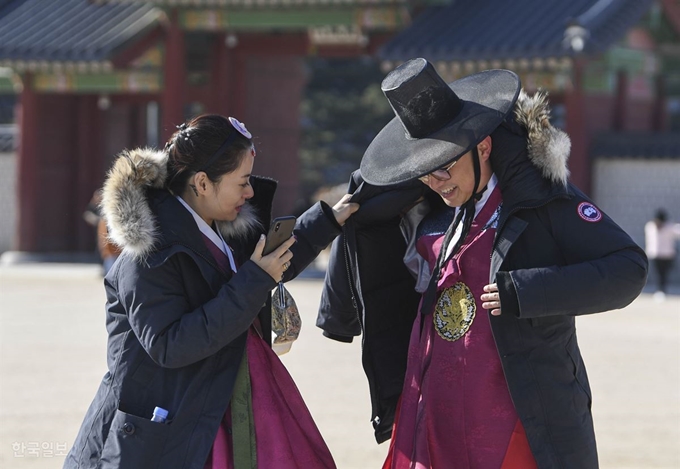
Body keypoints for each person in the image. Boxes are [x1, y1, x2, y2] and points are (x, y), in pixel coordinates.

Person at [317, 58, 648, 468]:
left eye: (443, 168)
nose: (437, 183)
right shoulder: (422, 203)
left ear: (484, 147)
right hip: (431, 404)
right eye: (424, 173)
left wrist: (528, 291)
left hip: (513, 409)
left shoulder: (540, 200)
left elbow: (628, 268)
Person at [64, 114, 358, 469]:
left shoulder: (220, 228)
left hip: (213, 406)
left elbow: (272, 259)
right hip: (160, 431)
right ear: (203, 182)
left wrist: (330, 218)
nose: (250, 192)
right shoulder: (149, 253)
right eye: (243, 182)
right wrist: (254, 280)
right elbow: (170, 344)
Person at [645, 208, 680, 300]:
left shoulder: (669, 227)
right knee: (657, 274)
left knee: (664, 274)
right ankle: (659, 290)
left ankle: (662, 290)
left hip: (667, 255)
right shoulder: (650, 226)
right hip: (655, 254)